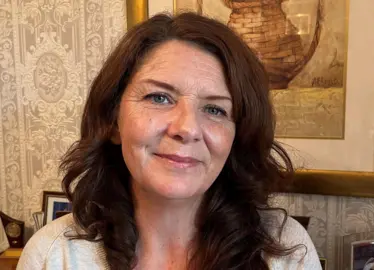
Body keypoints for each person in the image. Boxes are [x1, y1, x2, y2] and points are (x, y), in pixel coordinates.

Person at [17, 12, 321, 269]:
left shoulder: (286, 250)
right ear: (113, 121)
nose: (187, 128)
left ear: (237, 136)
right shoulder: (55, 255)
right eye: (159, 97)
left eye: (215, 109)